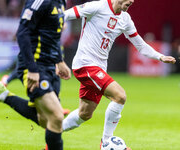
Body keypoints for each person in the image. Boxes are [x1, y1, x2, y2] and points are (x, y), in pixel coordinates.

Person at [62, 0, 176, 149]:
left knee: (84, 113)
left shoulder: (125, 19)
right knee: (120, 96)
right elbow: (64, 15)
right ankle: (106, 142)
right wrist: (52, 22)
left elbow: (140, 44)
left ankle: (53, 130)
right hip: (85, 65)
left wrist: (160, 56)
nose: (132, 1)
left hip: (99, 69)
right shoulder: (96, 6)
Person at [0, 0, 71, 150]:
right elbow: (22, 32)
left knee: (45, 121)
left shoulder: (61, 2)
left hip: (50, 65)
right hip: (35, 65)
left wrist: (59, 61)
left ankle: (2, 95)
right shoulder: (40, 1)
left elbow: (53, 35)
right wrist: (32, 69)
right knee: (56, 117)